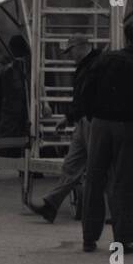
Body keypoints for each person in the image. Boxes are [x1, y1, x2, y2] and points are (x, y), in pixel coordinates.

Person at [80, 22, 133, 253]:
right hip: (129, 127)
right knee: (127, 184)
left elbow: (87, 89)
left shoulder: (104, 60)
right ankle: (124, 239)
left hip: (101, 124)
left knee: (95, 179)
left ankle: (89, 237)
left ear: (125, 37)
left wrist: (91, 115)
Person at [29, 35, 101, 223]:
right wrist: (69, 118)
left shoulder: (93, 66)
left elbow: (85, 97)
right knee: (72, 164)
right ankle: (51, 205)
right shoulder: (90, 65)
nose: (70, 56)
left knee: (92, 166)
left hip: (91, 121)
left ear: (81, 47)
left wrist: (70, 117)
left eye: (71, 51)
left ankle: (103, 210)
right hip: (84, 121)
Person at [0, 35, 31, 182]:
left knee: (27, 136)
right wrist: (11, 65)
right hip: (11, 103)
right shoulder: (5, 57)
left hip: (25, 103)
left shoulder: (26, 57)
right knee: (4, 138)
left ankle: (25, 168)